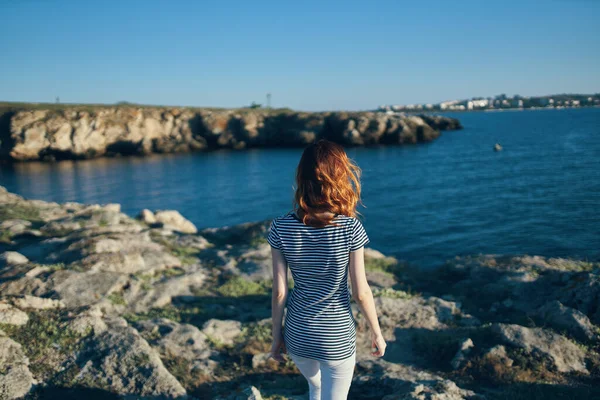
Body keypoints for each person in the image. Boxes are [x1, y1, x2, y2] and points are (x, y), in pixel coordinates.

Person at [267, 139, 386, 400]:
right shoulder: (350, 228)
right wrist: (377, 333)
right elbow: (361, 292)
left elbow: (279, 292)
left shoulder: (280, 227)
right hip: (336, 335)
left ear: (302, 177)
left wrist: (276, 339)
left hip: (298, 332)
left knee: (316, 388)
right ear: (341, 177)